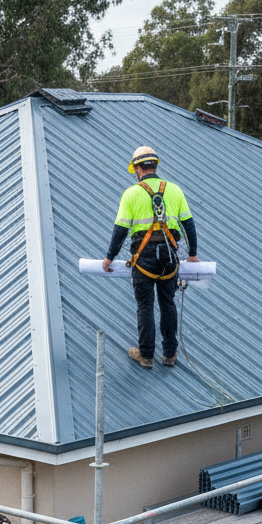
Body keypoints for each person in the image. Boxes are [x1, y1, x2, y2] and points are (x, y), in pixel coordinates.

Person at [102, 146, 199, 369]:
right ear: (155, 165)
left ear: (137, 168)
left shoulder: (131, 193)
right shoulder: (175, 190)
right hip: (169, 258)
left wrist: (109, 258)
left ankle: (146, 355)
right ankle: (170, 354)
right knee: (168, 303)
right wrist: (193, 254)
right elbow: (189, 225)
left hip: (143, 259)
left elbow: (120, 230)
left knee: (145, 306)